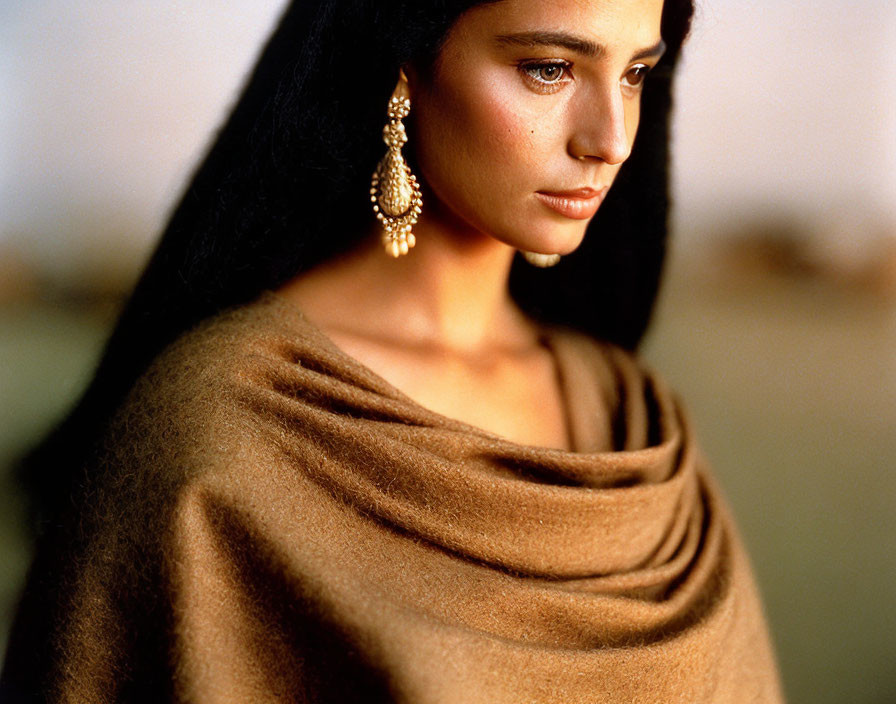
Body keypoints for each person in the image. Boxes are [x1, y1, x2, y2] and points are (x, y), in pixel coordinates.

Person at [2, 0, 785, 701]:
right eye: (548, 69)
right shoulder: (217, 439)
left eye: (637, 73)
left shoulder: (633, 420)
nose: (610, 139)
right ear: (405, 61)